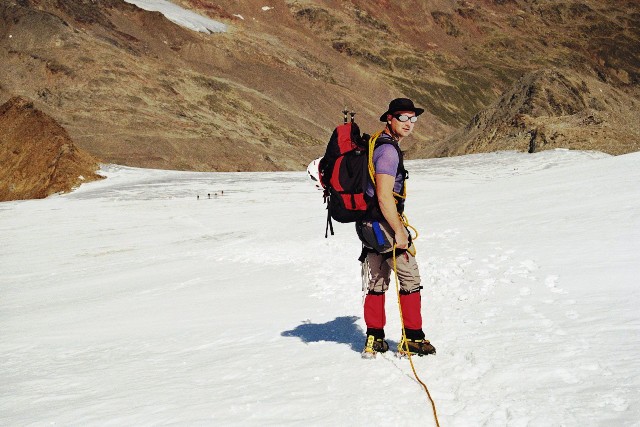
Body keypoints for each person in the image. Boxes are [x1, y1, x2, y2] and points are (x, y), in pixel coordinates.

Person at [356, 98, 436, 358]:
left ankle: (374, 339)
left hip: (369, 225)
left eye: (413, 118)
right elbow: (383, 195)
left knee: (377, 280)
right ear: (389, 118)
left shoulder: (376, 142)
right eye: (403, 117)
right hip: (385, 224)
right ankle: (413, 339)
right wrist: (400, 231)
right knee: (409, 278)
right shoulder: (389, 151)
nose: (409, 123)